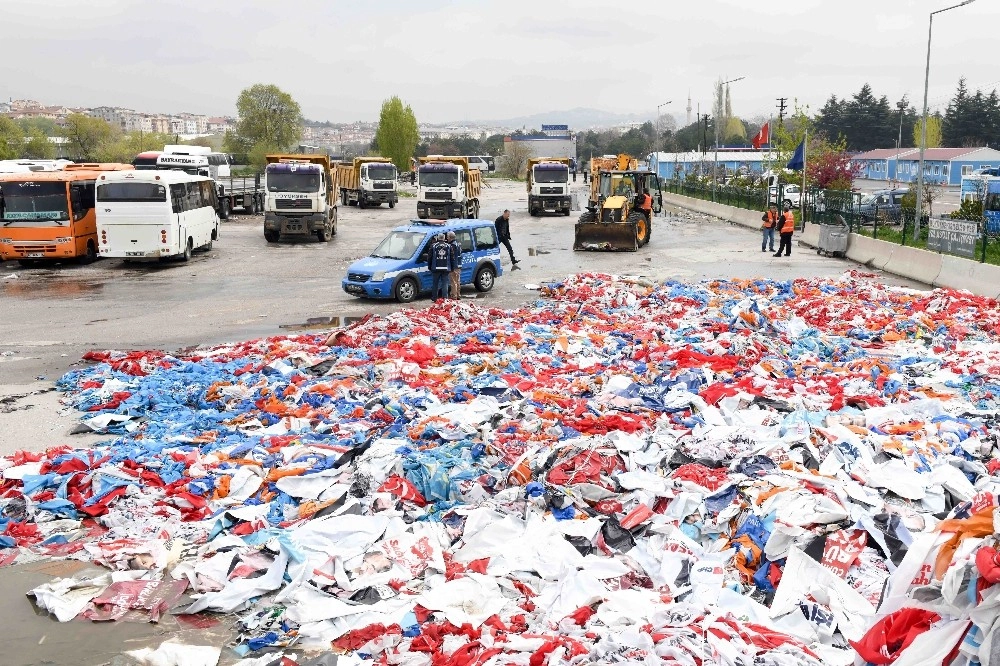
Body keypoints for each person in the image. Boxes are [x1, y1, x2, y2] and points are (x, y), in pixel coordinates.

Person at [428, 233, 453, 300]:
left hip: (435, 268)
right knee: (445, 283)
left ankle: (434, 298)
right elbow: (452, 258)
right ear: (444, 238)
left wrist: (429, 266)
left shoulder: (433, 246)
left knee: (435, 283)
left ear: (438, 238)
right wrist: (452, 268)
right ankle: (445, 298)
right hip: (446, 268)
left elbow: (429, 257)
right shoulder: (449, 246)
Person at [447, 230, 462, 300]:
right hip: (459, 265)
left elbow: (453, 257)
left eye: (447, 237)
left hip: (454, 266)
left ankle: (454, 296)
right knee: (458, 281)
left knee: (453, 282)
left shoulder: (452, 246)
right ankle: (458, 294)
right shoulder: (458, 244)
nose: (447, 238)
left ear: (450, 237)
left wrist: (452, 267)